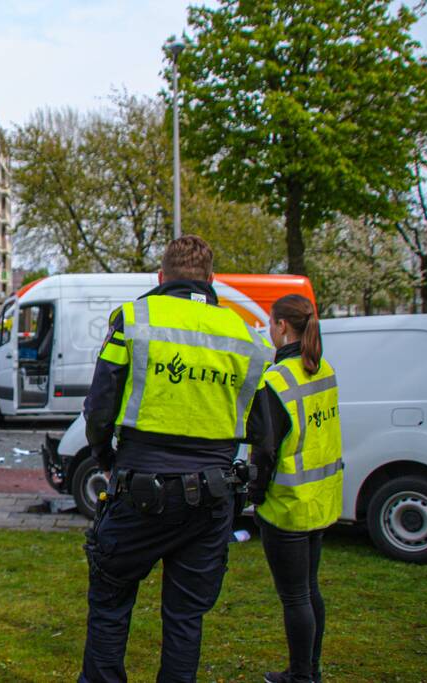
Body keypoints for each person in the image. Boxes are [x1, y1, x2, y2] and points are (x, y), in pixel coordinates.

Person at [79, 235, 276, 683]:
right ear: (212, 281)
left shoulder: (134, 318)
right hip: (212, 496)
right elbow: (263, 432)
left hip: (141, 488)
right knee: (186, 618)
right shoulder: (245, 335)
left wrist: (102, 454)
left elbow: (100, 403)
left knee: (110, 601)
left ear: (161, 277)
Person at [249, 295, 343, 683]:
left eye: (270, 324)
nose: (269, 331)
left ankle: (301, 676)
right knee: (309, 589)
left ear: (283, 326)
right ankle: (311, 670)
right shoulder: (324, 370)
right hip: (319, 499)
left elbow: (265, 450)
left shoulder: (276, 380)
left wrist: (254, 494)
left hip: (286, 506)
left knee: (295, 596)